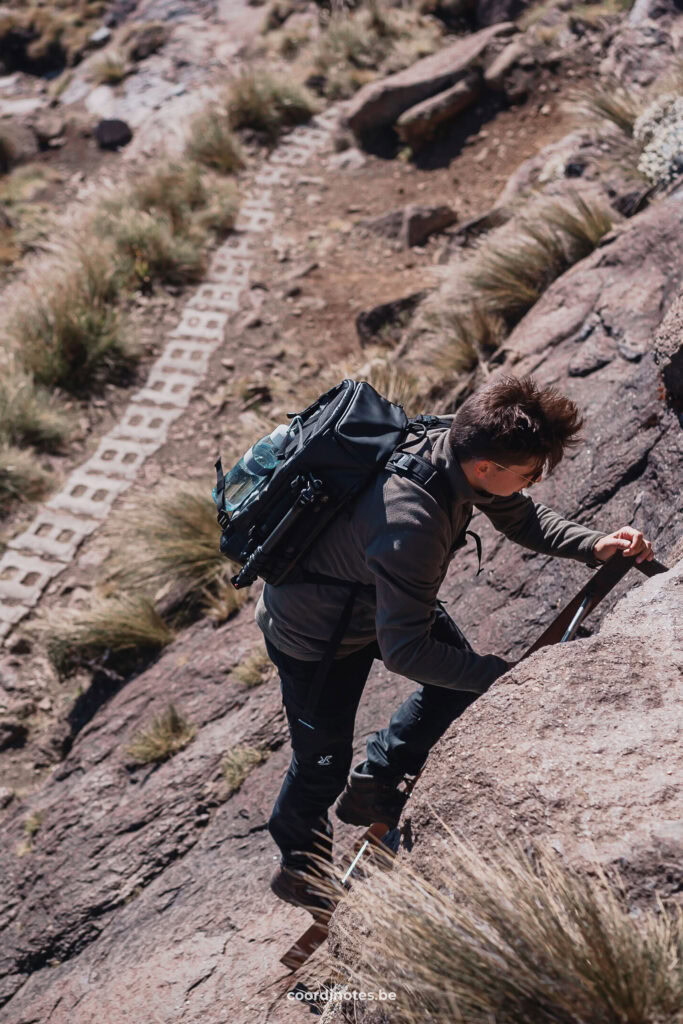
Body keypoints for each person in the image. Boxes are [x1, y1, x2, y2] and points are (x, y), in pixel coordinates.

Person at [255, 375, 654, 919]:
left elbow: (519, 514)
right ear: (486, 468)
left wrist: (593, 544)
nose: (535, 480)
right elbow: (407, 653)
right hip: (313, 631)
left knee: (455, 690)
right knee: (321, 763)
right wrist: (506, 677)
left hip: (382, 595)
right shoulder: (411, 524)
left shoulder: (457, 445)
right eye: (531, 472)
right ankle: (299, 866)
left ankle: (375, 781)